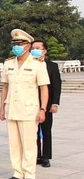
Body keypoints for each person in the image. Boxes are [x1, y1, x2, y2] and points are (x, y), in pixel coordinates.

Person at [0, 29, 49, 179]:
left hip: (29, 110)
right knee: (14, 144)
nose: (16, 46)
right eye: (14, 44)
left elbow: (44, 89)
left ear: (28, 46)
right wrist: (2, 108)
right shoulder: (8, 63)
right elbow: (5, 87)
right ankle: (17, 172)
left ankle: (29, 173)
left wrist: (43, 109)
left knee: (28, 144)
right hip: (12, 109)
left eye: (20, 44)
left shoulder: (37, 65)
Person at [32, 39, 61, 168]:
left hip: (47, 104)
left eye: (38, 48)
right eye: (33, 48)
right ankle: (36, 155)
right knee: (34, 132)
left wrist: (54, 103)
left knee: (46, 131)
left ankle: (46, 156)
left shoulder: (52, 66)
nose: (35, 50)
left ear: (44, 51)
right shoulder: (29, 64)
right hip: (32, 103)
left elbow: (56, 86)